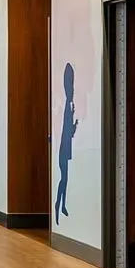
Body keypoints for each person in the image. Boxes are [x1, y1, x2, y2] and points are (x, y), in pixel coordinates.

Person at [56, 62, 77, 220]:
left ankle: (61, 205)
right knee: (64, 178)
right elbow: (68, 132)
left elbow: (68, 132)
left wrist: (74, 125)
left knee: (65, 178)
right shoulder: (67, 107)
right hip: (64, 151)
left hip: (64, 150)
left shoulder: (68, 106)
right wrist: (74, 125)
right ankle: (59, 204)